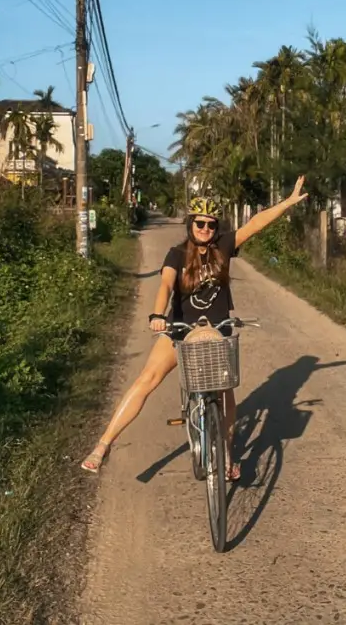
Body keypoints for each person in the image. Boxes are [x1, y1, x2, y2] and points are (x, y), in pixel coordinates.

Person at [81, 177, 309, 477]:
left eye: (211, 225)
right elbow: (165, 283)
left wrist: (288, 202)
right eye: (200, 223)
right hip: (180, 329)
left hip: (217, 331)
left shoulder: (224, 246)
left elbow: (256, 224)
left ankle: (227, 457)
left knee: (226, 393)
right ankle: (103, 445)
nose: (205, 229)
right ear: (190, 224)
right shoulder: (176, 254)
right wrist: (157, 315)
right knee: (146, 380)